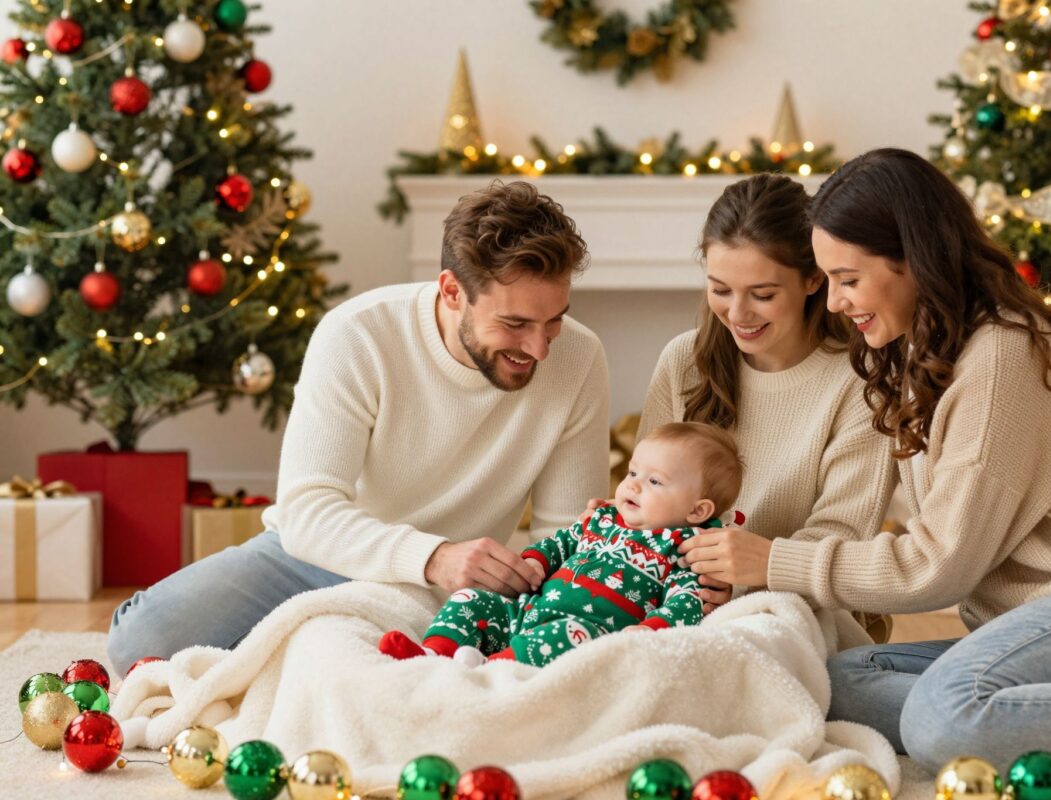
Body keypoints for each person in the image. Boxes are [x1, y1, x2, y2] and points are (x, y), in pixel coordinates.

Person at [687, 147, 1051, 772]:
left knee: (942, 720)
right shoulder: (923, 351)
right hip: (1021, 628)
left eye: (849, 279)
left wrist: (775, 560)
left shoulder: (1003, 354)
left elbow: (939, 566)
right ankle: (1033, 713)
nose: (836, 302)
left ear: (914, 259)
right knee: (824, 685)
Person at [107, 181, 611, 676]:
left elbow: (565, 533)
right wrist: (432, 556)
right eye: (515, 324)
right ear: (453, 291)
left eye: (554, 322)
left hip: (457, 588)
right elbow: (307, 512)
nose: (541, 349)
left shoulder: (579, 358)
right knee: (141, 639)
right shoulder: (359, 333)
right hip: (321, 557)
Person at [637, 173, 897, 621]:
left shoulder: (862, 379)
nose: (737, 314)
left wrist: (735, 578)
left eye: (762, 294)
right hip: (675, 602)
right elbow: (645, 496)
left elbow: (843, 537)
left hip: (796, 615)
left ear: (814, 279)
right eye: (720, 290)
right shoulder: (684, 361)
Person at [378, 422, 742, 667]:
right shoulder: (602, 518)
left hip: (584, 631)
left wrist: (651, 631)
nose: (632, 485)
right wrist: (535, 562)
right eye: (632, 472)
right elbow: (560, 542)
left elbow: (688, 602)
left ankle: (491, 671)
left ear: (697, 510)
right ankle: (430, 657)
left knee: (566, 635)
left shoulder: (688, 550)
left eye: (655, 482)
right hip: (525, 611)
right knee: (470, 600)